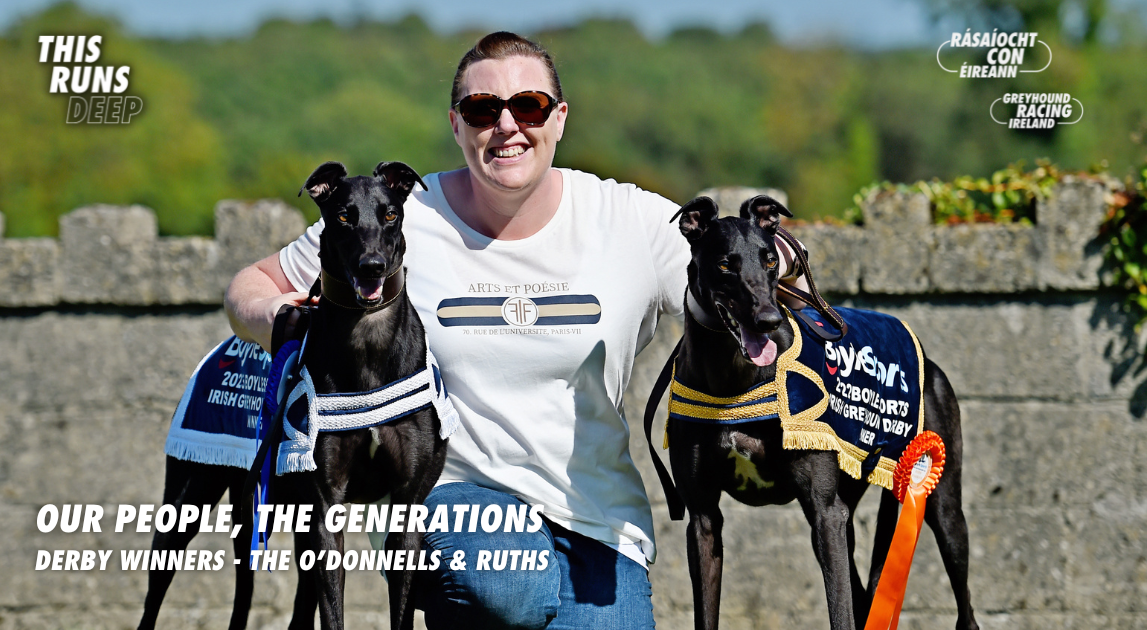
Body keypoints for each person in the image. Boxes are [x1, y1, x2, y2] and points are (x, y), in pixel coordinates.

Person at [225, 31, 808, 630]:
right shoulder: (404, 219)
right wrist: (279, 319)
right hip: (455, 498)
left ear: (558, 119)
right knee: (515, 590)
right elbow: (249, 285)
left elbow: (739, 261)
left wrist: (775, 272)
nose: (506, 125)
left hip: (596, 519)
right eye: (483, 110)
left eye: (527, 106)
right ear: (457, 125)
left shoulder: (628, 218)